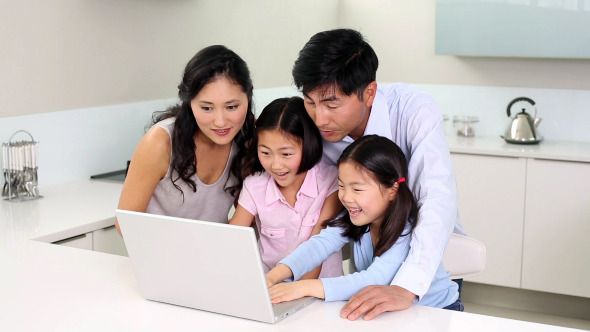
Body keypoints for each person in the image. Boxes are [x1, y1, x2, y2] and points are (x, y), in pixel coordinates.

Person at [292, 28, 465, 320]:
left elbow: (437, 198)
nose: (320, 118)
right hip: (366, 270)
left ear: (369, 93)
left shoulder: (413, 110)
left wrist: (408, 286)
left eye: (332, 104)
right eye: (310, 102)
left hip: (426, 266)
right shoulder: (314, 125)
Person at [265, 135, 462, 313]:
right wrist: (272, 277)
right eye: (342, 186)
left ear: (392, 190)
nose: (346, 197)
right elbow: (319, 244)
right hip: (397, 315)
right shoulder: (357, 216)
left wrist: (303, 287)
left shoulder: (406, 229)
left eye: (357, 189)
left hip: (438, 312)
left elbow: (374, 280)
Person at [116, 45, 255, 233]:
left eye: (231, 107)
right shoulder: (160, 143)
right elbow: (126, 225)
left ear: (249, 96)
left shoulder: (250, 141)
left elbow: (250, 215)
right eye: (206, 108)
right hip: (159, 256)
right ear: (189, 103)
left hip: (213, 256)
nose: (221, 122)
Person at [229, 96, 343, 278]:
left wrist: (294, 293)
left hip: (320, 293)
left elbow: (317, 247)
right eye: (265, 153)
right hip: (272, 292)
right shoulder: (254, 186)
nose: (276, 165)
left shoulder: (331, 180)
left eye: (286, 154)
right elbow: (232, 240)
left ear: (309, 145)